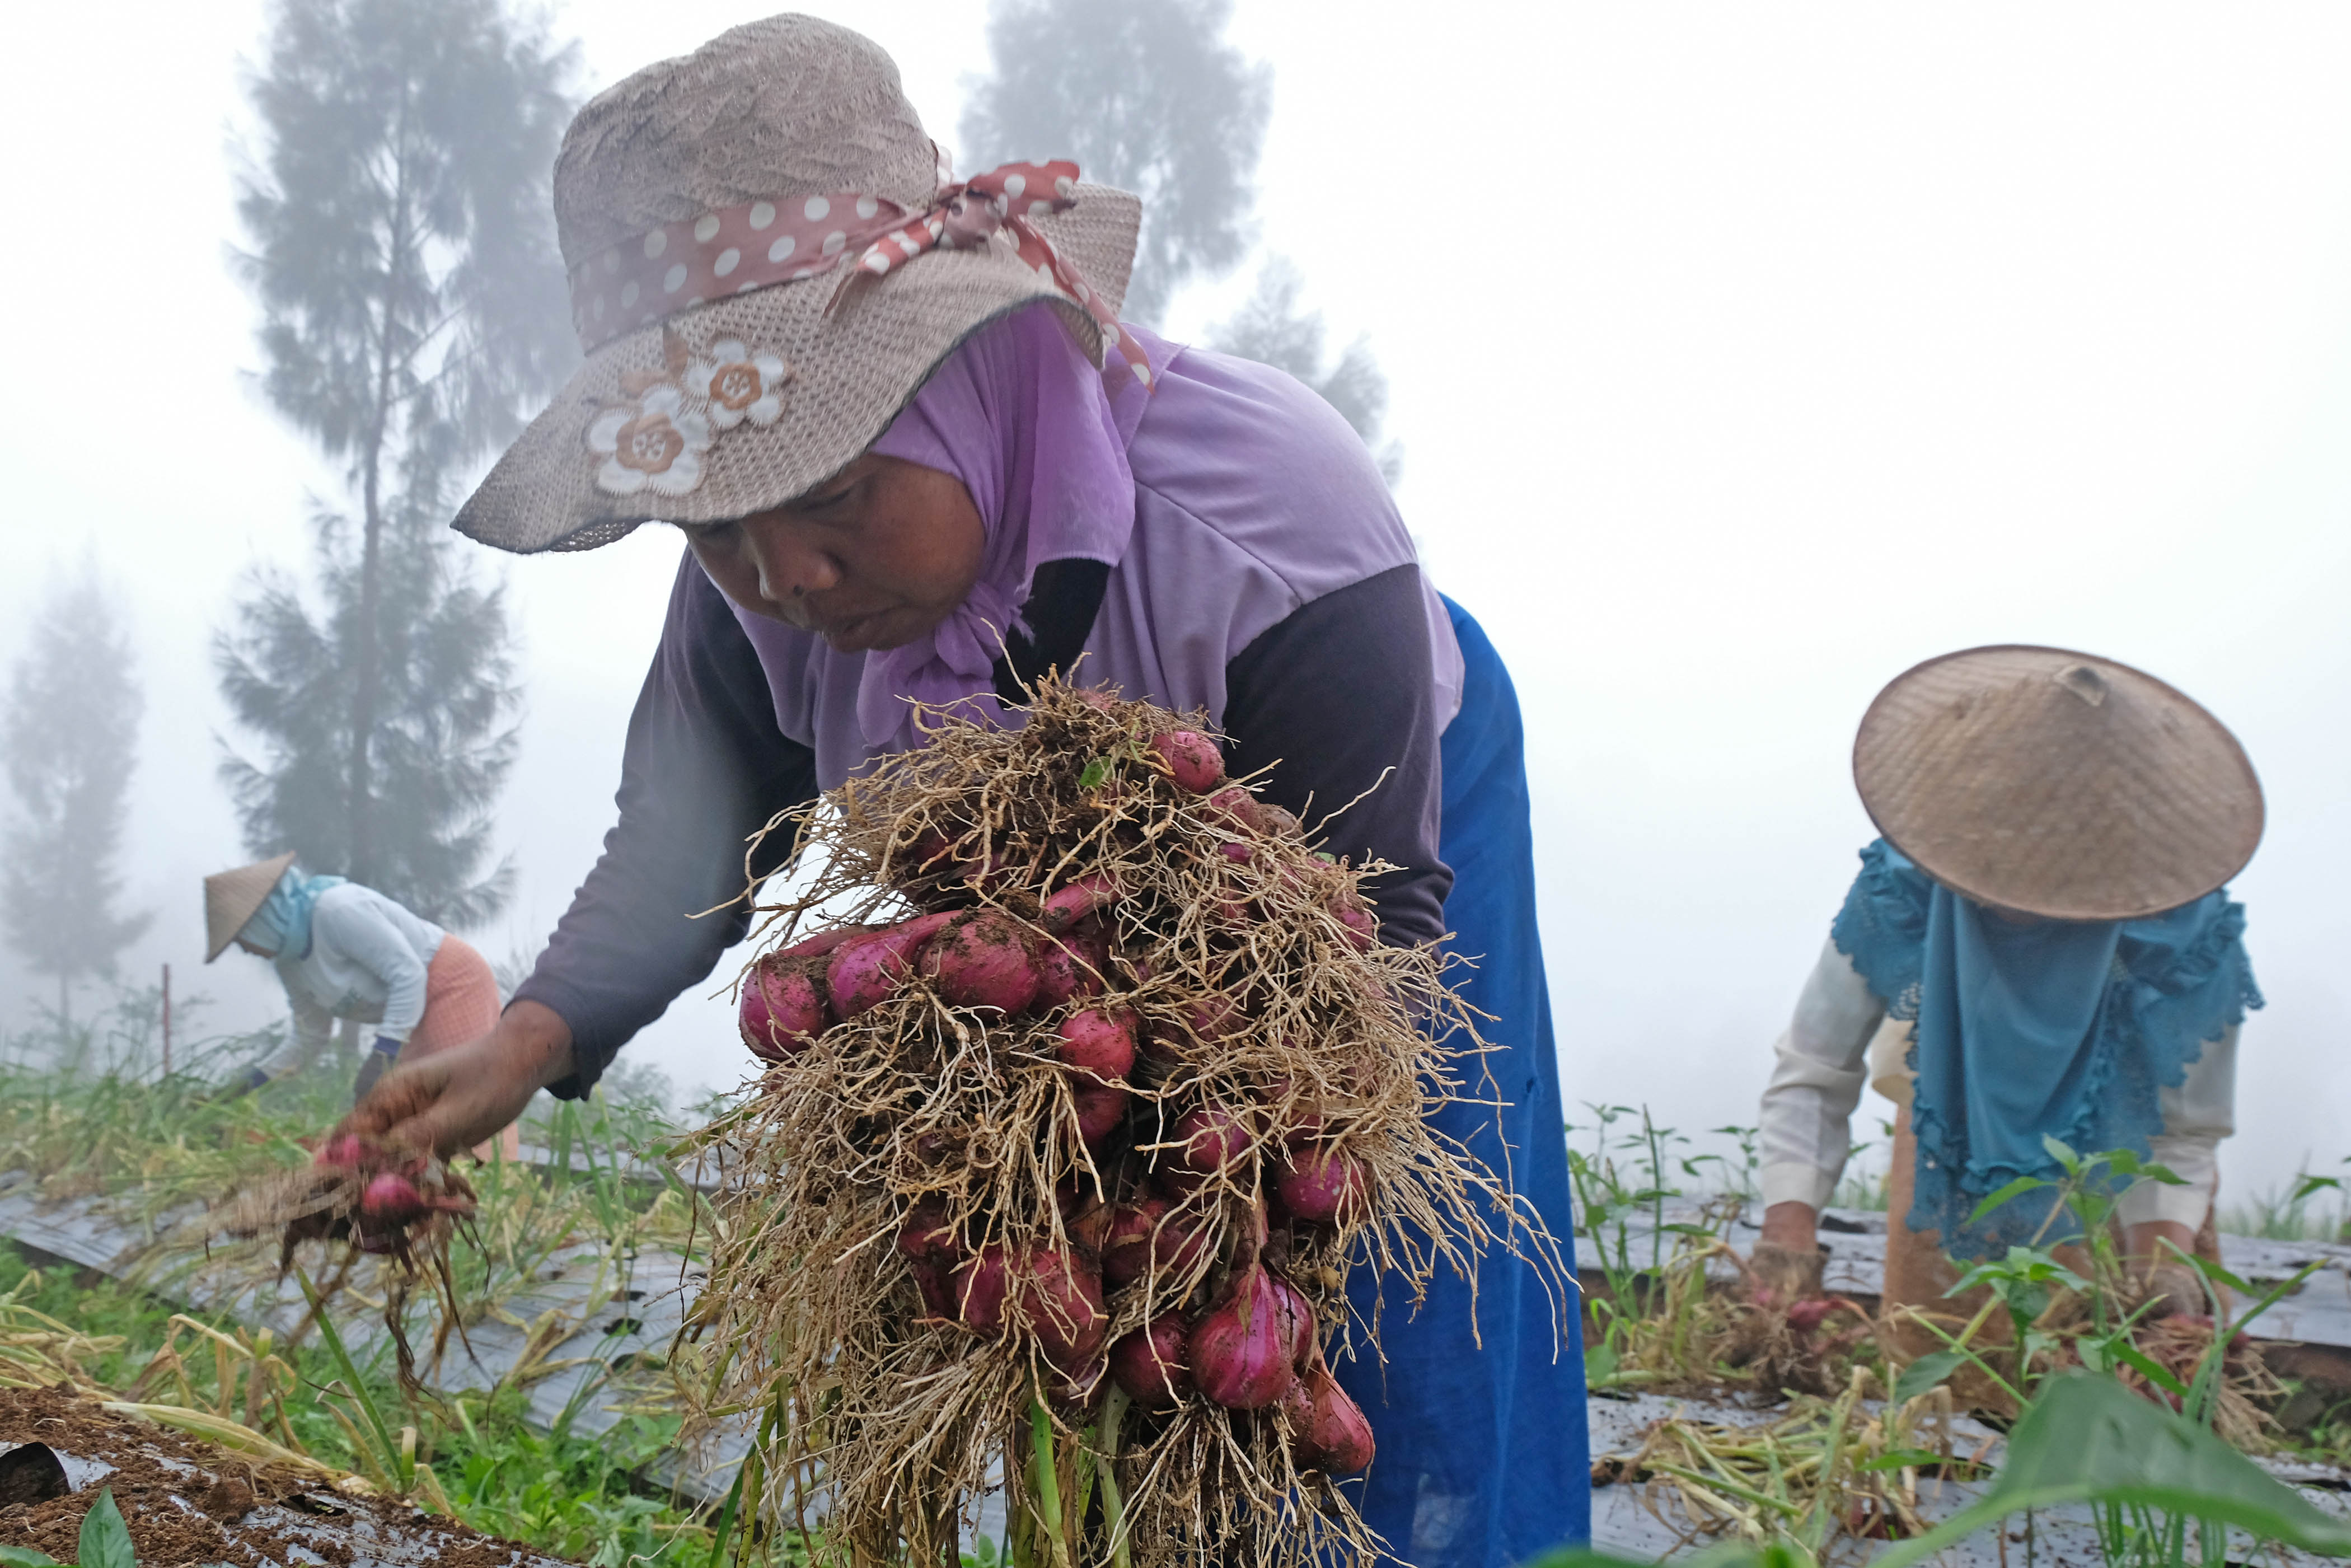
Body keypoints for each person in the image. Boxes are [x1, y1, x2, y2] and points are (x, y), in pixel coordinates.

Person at [331, 15, 1587, 1562]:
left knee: (1378, 1242)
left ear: (956, 374)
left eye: (836, 494)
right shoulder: (763, 588)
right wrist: (526, 1040)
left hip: (1372, 841)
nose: (780, 572)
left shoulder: (1278, 525)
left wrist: (1207, 1210)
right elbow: (687, 834)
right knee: (1051, 1289)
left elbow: (1361, 969)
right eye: (714, 527)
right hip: (1048, 931)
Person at [1752, 645, 2263, 1331]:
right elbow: (1816, 1069)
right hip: (1949, 1164)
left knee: (2125, 1389)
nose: (2018, 902)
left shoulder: (2181, 940)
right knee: (1945, 1391)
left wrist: (2158, 1277)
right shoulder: (1903, 895)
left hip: (2124, 1182)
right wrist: (1787, 1241)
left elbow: (2181, 1131)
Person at [204, 854, 519, 1157]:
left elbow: (408, 974)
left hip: (448, 981)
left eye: (241, 938)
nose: (245, 950)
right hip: (411, 1009)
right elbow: (309, 1036)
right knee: (408, 1118)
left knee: (461, 1101)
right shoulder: (289, 964)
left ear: (263, 918)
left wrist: (383, 1054)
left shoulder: (336, 910)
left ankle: (494, 1189)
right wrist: (245, 1086)